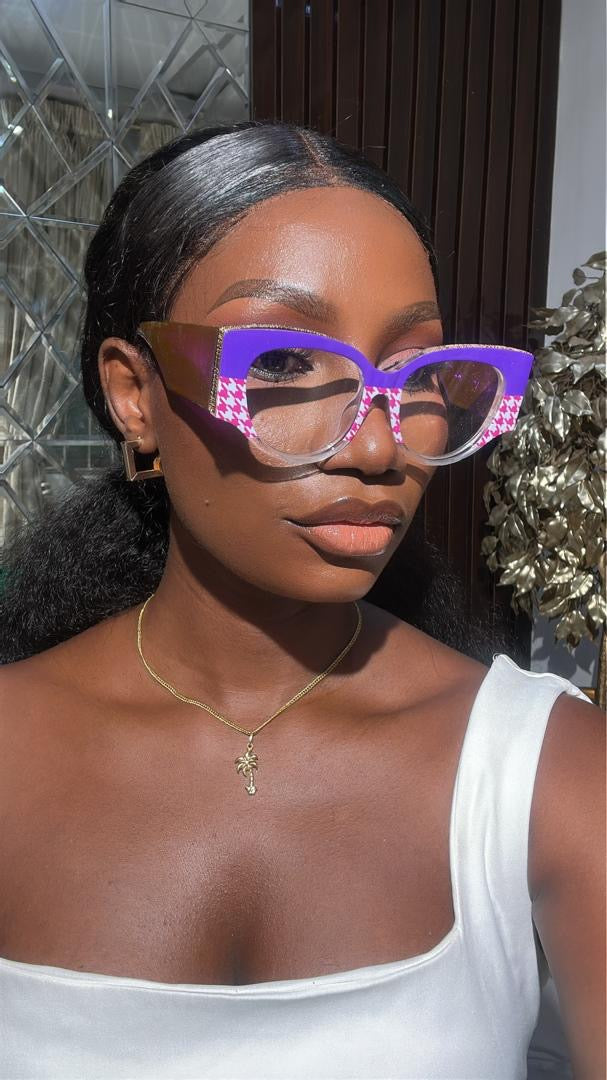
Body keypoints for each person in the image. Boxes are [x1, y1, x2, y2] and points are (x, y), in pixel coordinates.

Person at [0, 120, 603, 1080]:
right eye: (282, 363)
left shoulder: (547, 771)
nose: (377, 447)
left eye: (415, 373)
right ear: (134, 396)